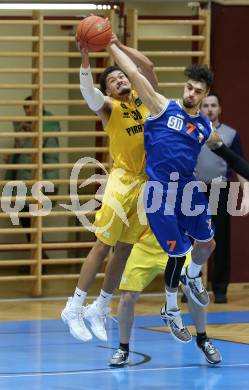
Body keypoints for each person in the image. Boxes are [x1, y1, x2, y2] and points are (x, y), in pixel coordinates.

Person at [107, 42, 249, 342]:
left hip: (188, 191)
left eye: (197, 91)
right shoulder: (162, 106)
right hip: (160, 193)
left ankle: (192, 276)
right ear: (185, 88)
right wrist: (111, 45)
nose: (191, 93)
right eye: (188, 88)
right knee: (178, 251)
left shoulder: (204, 127)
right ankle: (172, 309)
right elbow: (134, 72)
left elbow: (231, 157)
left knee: (207, 245)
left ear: (204, 96)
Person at [61, 35, 158, 343]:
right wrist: (87, 59)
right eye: (114, 80)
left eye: (121, 76)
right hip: (121, 179)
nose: (120, 81)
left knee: (125, 249)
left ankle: (100, 307)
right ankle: (74, 306)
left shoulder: (145, 100)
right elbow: (88, 92)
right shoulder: (109, 107)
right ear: (109, 91)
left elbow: (148, 66)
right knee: (103, 245)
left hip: (145, 182)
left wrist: (116, 43)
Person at [109, 230, 221, 366]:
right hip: (143, 247)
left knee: (191, 289)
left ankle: (203, 339)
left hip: (177, 245)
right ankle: (123, 348)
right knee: (127, 297)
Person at [194, 93, 249, 303]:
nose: (209, 109)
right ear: (200, 109)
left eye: (213, 105)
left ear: (220, 109)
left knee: (220, 240)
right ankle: (192, 285)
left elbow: (240, 166)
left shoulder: (230, 134)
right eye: (206, 105)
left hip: (220, 190)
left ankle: (220, 289)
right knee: (193, 239)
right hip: (195, 190)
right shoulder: (193, 131)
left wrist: (247, 195)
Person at [5, 96, 60, 241]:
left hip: (37, 187)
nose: (27, 110)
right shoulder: (24, 130)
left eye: (29, 107)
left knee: (33, 228)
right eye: (25, 108)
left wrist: (50, 188)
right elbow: (19, 157)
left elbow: (52, 160)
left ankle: (41, 262)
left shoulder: (48, 132)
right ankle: (40, 262)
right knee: (30, 228)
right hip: (22, 186)